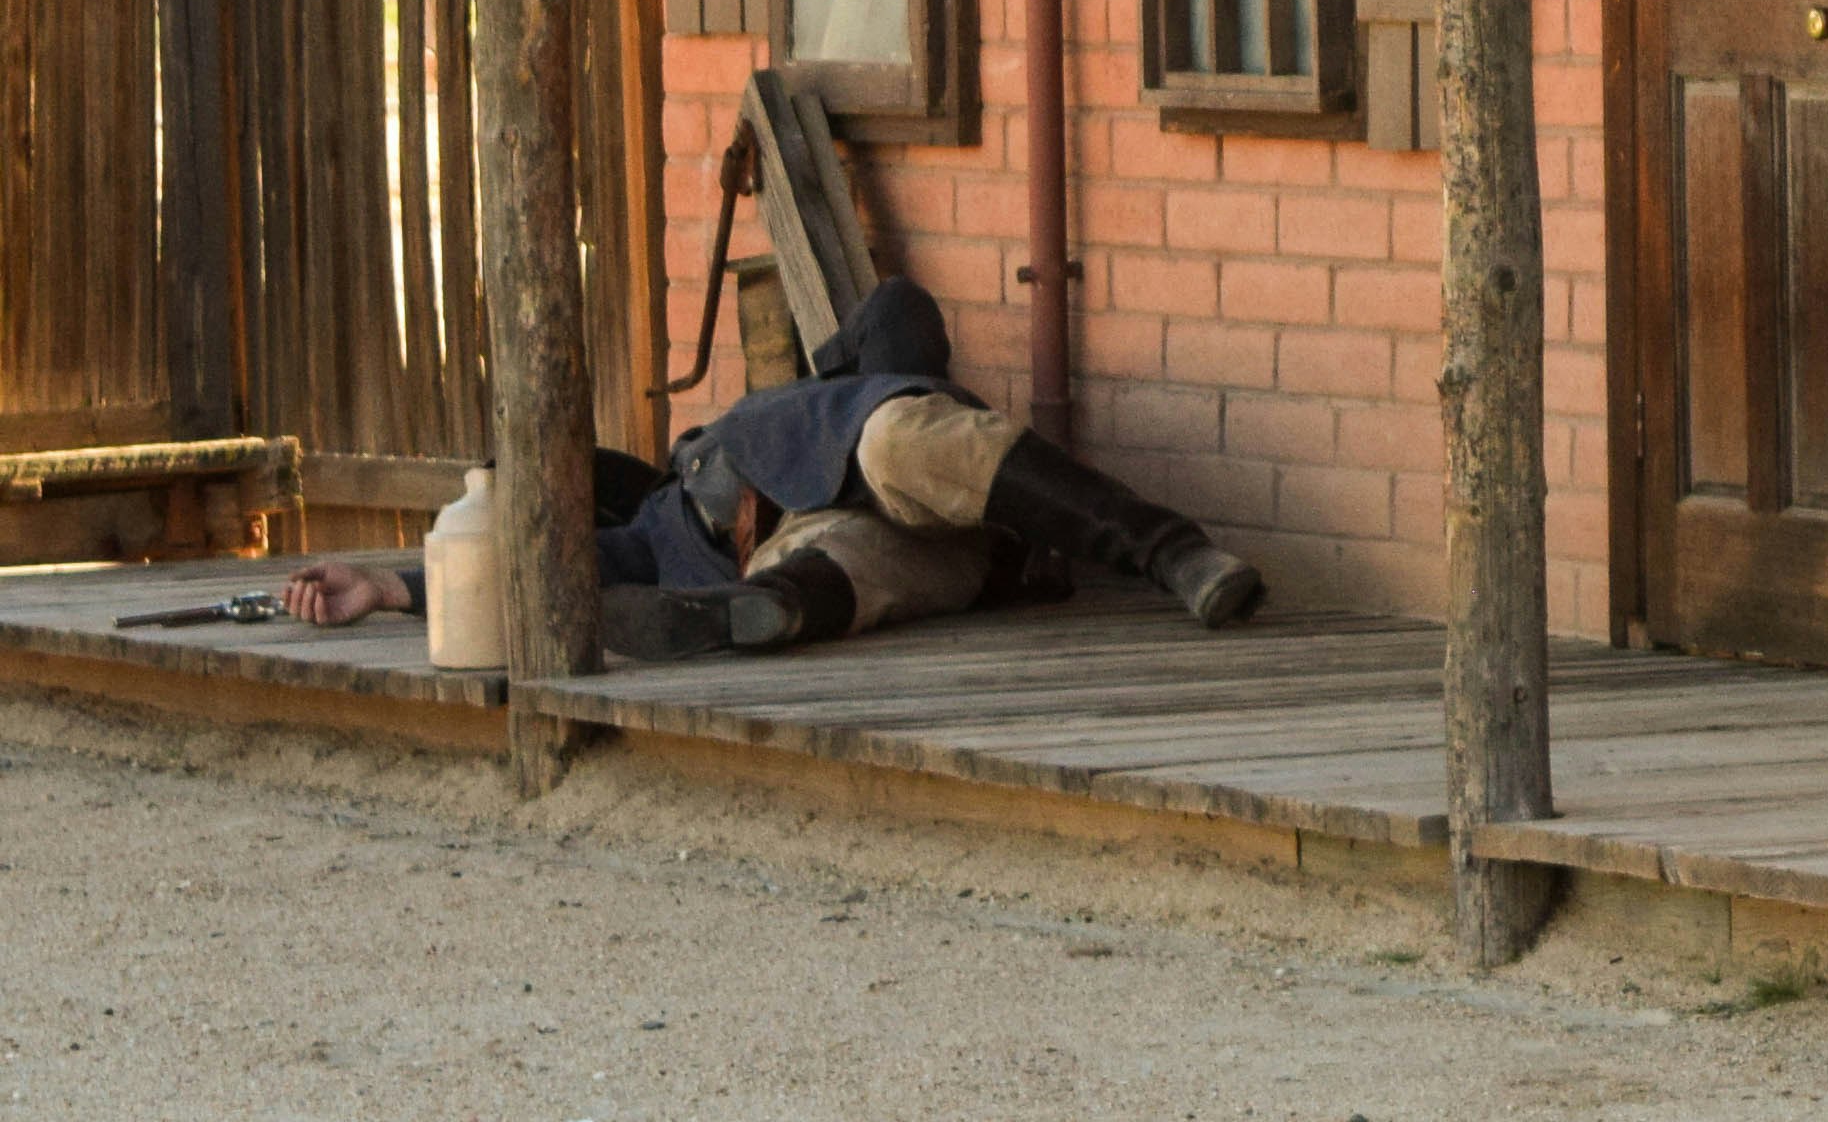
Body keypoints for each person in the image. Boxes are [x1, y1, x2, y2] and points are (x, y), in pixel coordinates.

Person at [272, 280, 1263, 661]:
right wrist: (392, 586)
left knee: (907, 443)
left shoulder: (831, 404)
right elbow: (568, 558)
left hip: (897, 466)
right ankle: (758, 613)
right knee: (856, 563)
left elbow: (901, 422)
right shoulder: (663, 511)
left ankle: (1173, 551)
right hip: (848, 547)